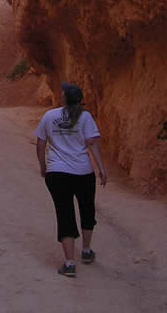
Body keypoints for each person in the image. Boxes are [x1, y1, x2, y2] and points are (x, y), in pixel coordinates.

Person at [35, 81, 107, 278]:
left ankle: (69, 263)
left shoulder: (50, 116)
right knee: (87, 209)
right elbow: (91, 143)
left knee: (64, 213)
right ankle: (86, 251)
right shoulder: (85, 117)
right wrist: (101, 168)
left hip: (57, 173)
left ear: (64, 98)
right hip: (83, 172)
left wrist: (43, 167)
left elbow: (40, 145)